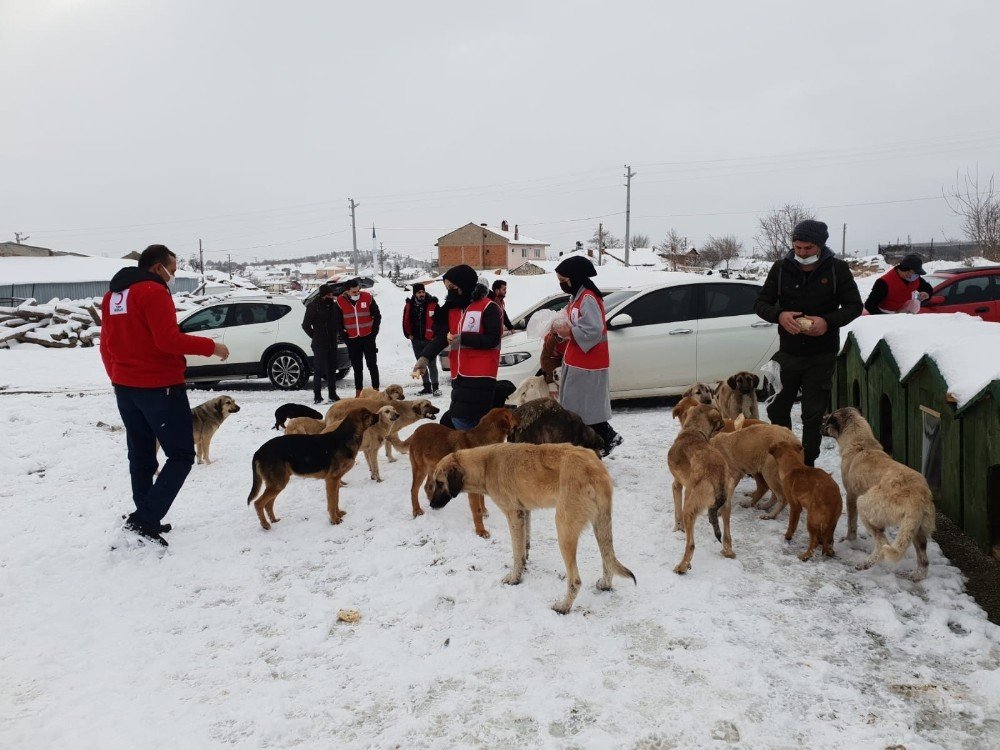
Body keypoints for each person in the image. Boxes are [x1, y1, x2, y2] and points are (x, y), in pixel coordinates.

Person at [100, 244, 230, 546]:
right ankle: (144, 519)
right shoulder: (153, 291)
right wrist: (212, 347)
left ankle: (146, 516)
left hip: (126, 389)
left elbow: (105, 344)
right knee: (182, 454)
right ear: (158, 267)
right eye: (172, 269)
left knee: (142, 452)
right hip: (160, 388)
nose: (173, 275)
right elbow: (167, 339)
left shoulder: (113, 296)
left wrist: (118, 378)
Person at [754, 219, 863, 467]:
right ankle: (786, 458)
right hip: (789, 353)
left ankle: (807, 464)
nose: (801, 253)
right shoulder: (781, 268)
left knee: (812, 415)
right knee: (777, 409)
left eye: (808, 248)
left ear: (820, 246)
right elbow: (761, 304)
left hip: (821, 355)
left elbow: (854, 306)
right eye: (797, 247)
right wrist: (778, 315)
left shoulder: (837, 270)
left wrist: (827, 321)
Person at [413, 264, 501, 430]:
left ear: (465, 284)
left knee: (466, 420)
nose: (450, 291)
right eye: (447, 288)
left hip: (480, 374)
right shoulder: (453, 309)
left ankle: (474, 454)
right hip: (459, 373)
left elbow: (492, 339)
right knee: (463, 421)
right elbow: (441, 338)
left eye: (453, 287)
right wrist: (424, 359)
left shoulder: (488, 307)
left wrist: (463, 338)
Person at [551, 255, 622, 456]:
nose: (561, 284)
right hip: (577, 359)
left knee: (584, 409)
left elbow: (593, 329)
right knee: (579, 407)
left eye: (563, 280)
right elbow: (575, 325)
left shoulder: (588, 297)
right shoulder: (576, 297)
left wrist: (569, 332)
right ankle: (598, 442)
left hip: (589, 363)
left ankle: (604, 440)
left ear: (574, 277)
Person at [337, 278, 381, 397]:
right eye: (354, 292)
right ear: (347, 291)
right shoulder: (340, 301)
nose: (357, 293)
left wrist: (373, 333)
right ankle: (359, 392)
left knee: (372, 365)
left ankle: (376, 390)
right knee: (357, 367)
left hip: (368, 337)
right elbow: (338, 321)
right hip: (352, 339)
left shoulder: (367, 297)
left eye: (358, 291)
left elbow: (377, 315)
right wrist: (345, 336)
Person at [302, 283, 343, 404]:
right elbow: (305, 325)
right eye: (329, 295)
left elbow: (338, 322)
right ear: (323, 295)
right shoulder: (313, 306)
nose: (331, 297)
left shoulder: (334, 306)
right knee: (319, 370)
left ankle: (332, 394)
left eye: (332, 294)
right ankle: (317, 396)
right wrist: (315, 336)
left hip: (332, 342)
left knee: (332, 370)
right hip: (319, 343)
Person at [403, 282, 441, 396]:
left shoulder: (433, 304)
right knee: (420, 364)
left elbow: (440, 321)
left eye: (423, 292)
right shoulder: (409, 305)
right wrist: (407, 334)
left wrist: (437, 335)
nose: (422, 294)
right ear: (415, 294)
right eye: (419, 292)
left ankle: (435, 387)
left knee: (432, 364)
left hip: (430, 339)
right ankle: (426, 387)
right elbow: (404, 320)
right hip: (416, 340)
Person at [864, 253, 933, 315]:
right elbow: (870, 305)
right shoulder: (884, 283)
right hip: (885, 313)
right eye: (915, 273)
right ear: (907, 271)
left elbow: (927, 287)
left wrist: (927, 293)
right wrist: (884, 319)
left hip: (903, 312)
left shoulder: (915, 279)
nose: (916, 276)